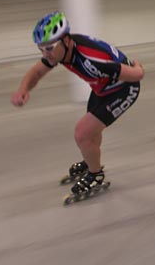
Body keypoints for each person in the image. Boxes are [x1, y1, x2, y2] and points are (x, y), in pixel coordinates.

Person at [11, 11, 144, 196]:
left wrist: (137, 67)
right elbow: (37, 72)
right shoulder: (62, 51)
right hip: (102, 87)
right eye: (40, 48)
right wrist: (23, 89)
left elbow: (137, 75)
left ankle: (96, 174)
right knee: (90, 133)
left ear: (66, 40)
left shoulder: (92, 60)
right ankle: (92, 161)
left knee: (82, 133)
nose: (45, 53)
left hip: (124, 89)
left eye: (49, 47)